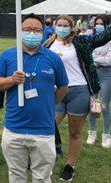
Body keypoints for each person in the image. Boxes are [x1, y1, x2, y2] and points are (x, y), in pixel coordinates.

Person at [0, 13, 69, 183]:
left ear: (43, 32)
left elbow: (64, 87)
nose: (32, 33)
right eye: (27, 30)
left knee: (42, 177)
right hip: (14, 129)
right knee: (16, 175)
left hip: (43, 131)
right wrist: (11, 80)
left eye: (37, 30)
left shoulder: (53, 58)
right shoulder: (8, 56)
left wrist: (50, 102)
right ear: (20, 31)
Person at [44, 14, 111, 181]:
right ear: (54, 25)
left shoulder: (81, 42)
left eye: (65, 25)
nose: (62, 27)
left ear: (71, 27)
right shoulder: (48, 44)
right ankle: (52, 155)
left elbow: (104, 37)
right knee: (47, 127)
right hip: (56, 92)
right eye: (59, 24)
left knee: (75, 132)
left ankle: (70, 166)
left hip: (78, 92)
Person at [87, 15, 111, 148]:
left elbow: (109, 60)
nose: (99, 26)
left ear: (107, 26)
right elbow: (87, 55)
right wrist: (99, 57)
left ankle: (106, 135)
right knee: (93, 104)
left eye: (102, 23)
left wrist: (95, 58)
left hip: (107, 74)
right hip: (93, 74)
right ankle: (92, 132)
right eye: (97, 23)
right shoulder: (91, 38)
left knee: (105, 106)